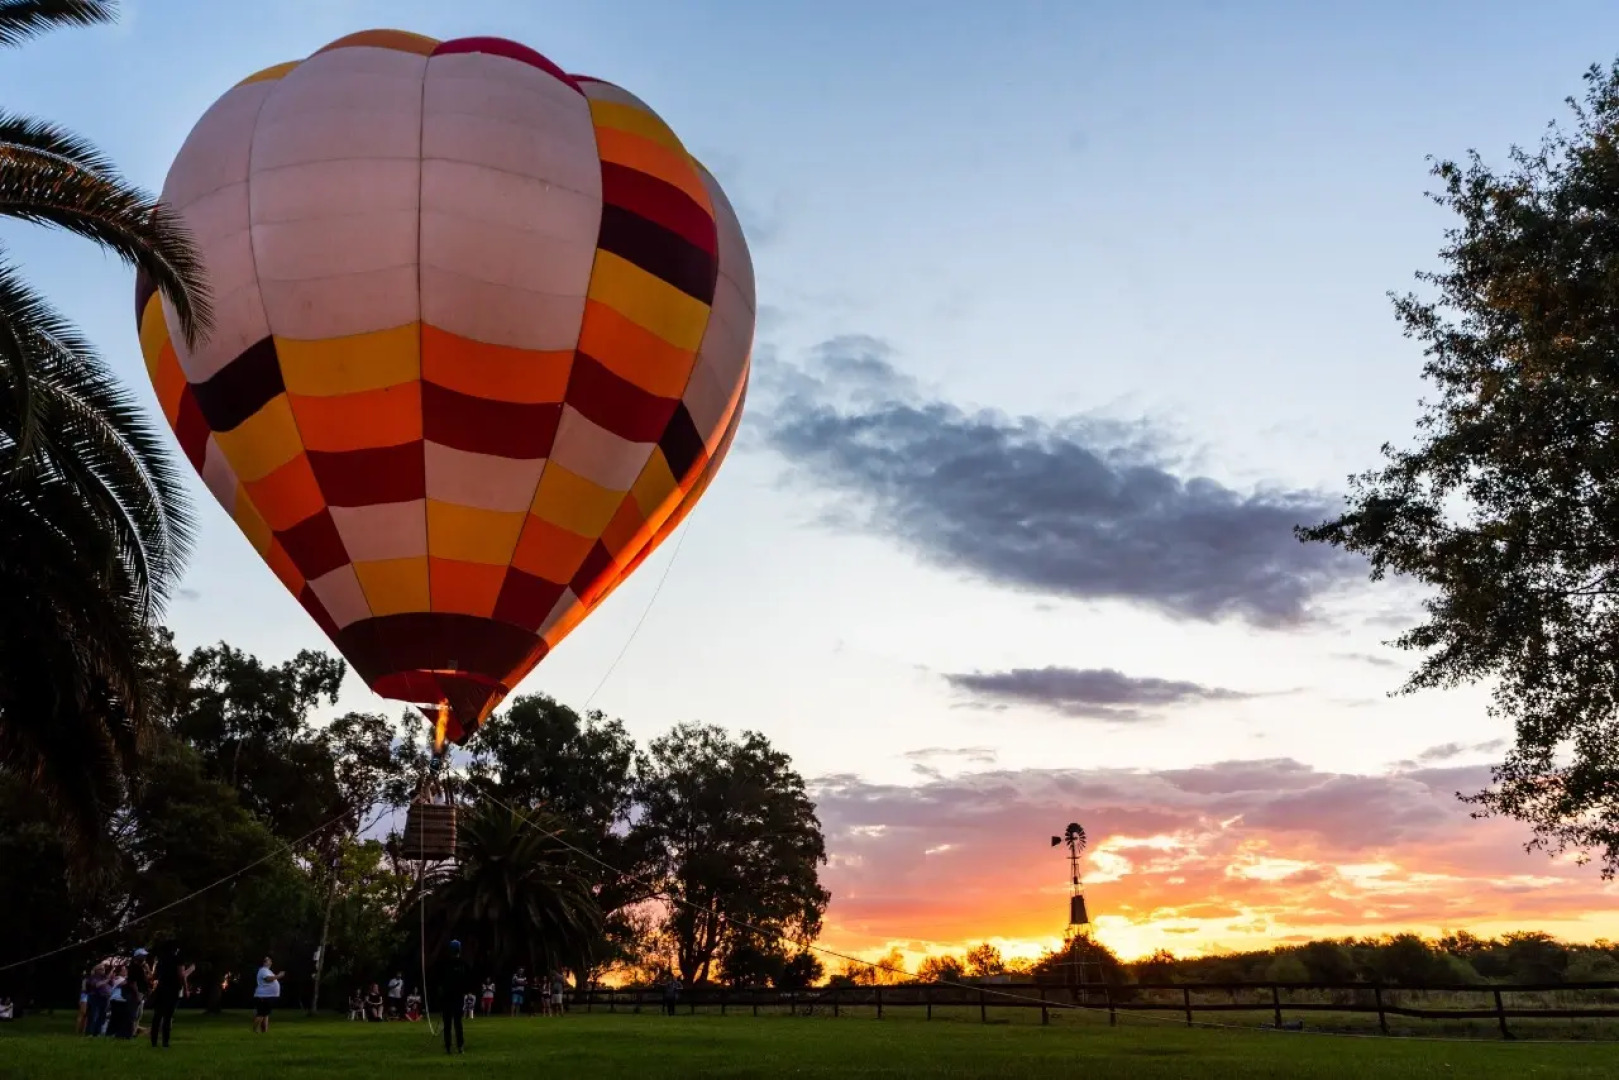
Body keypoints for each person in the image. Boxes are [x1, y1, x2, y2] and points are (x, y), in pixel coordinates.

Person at [148, 943, 192, 1049]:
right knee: (168, 1017)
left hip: (161, 988)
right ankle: (165, 1042)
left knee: (157, 1016)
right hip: (172, 989)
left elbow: (154, 976)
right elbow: (181, 975)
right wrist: (186, 988)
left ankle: (154, 1042)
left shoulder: (161, 960)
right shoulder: (178, 959)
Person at [434, 939, 472, 1055]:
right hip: (456, 997)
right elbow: (467, 981)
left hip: (449, 997)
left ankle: (449, 1047)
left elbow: (439, 981)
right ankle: (459, 1046)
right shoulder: (463, 964)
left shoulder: (445, 964)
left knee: (448, 1024)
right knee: (457, 1023)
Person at [252, 956, 283, 1033]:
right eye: (269, 961)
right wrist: (279, 976)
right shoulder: (263, 970)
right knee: (261, 1014)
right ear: (264, 962)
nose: (271, 962)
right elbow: (268, 979)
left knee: (265, 1014)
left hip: (267, 996)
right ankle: (254, 1031)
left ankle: (264, 1032)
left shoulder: (267, 970)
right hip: (263, 996)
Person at [126, 948, 152, 1039]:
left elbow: (148, 978)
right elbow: (133, 983)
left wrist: (147, 969)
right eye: (143, 955)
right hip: (135, 993)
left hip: (141, 992)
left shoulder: (142, 967)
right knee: (133, 1014)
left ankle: (134, 1032)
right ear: (137, 956)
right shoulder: (133, 967)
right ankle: (130, 1033)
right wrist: (137, 994)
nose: (145, 957)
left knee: (139, 1014)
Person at [76, 967, 90, 1034]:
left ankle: (82, 1030)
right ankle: (79, 1030)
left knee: (84, 1015)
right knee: (83, 1015)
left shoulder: (85, 979)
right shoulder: (86, 980)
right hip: (85, 997)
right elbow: (84, 990)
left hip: (84, 997)